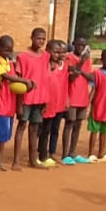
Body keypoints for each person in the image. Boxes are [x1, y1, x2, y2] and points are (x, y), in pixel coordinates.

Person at [0, 35, 32, 171]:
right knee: (0, 133)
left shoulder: (9, 62)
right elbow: (5, 76)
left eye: (10, 50)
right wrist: (24, 80)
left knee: (6, 134)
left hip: (10, 101)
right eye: (5, 49)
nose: (8, 52)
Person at [13, 27, 50, 170]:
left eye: (43, 39)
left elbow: (45, 79)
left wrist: (46, 99)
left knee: (34, 128)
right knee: (21, 126)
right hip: (26, 98)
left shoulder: (46, 56)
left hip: (39, 98)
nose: (40, 41)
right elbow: (18, 80)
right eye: (38, 38)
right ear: (32, 38)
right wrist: (19, 103)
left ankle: (33, 159)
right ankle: (16, 161)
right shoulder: (22, 56)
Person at [61, 36, 94, 164]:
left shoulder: (87, 59)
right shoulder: (69, 58)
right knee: (69, 123)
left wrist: (78, 70)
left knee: (78, 125)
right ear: (74, 44)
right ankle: (65, 154)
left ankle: (73, 152)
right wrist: (80, 64)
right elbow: (71, 78)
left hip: (83, 97)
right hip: (72, 96)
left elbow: (91, 77)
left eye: (83, 45)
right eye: (78, 45)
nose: (80, 47)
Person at [37, 40, 70, 168]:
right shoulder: (46, 66)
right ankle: (41, 153)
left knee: (54, 129)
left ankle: (51, 152)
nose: (60, 54)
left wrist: (66, 99)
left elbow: (65, 83)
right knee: (43, 129)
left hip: (59, 103)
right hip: (48, 102)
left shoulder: (64, 66)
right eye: (57, 52)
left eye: (62, 52)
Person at [84, 49, 106, 162]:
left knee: (104, 131)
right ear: (102, 60)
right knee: (94, 130)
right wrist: (88, 104)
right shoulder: (97, 73)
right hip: (98, 105)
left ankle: (101, 153)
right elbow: (93, 90)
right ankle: (91, 153)